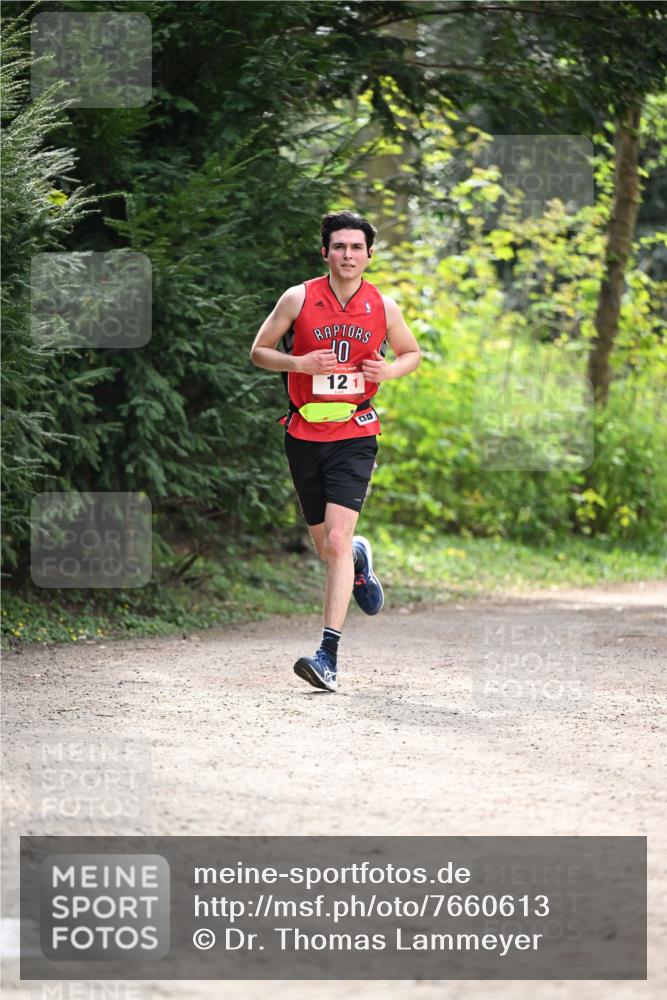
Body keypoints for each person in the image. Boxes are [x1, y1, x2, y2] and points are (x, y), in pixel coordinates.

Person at [250, 210, 420, 692]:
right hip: (303, 433)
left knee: (338, 540)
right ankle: (360, 562)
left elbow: (411, 353)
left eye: (357, 247)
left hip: (355, 431)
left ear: (370, 254)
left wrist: (389, 371)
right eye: (340, 246)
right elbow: (259, 352)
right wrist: (299, 362)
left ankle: (328, 656)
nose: (348, 255)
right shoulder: (298, 298)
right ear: (325, 252)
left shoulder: (382, 306)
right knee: (329, 549)